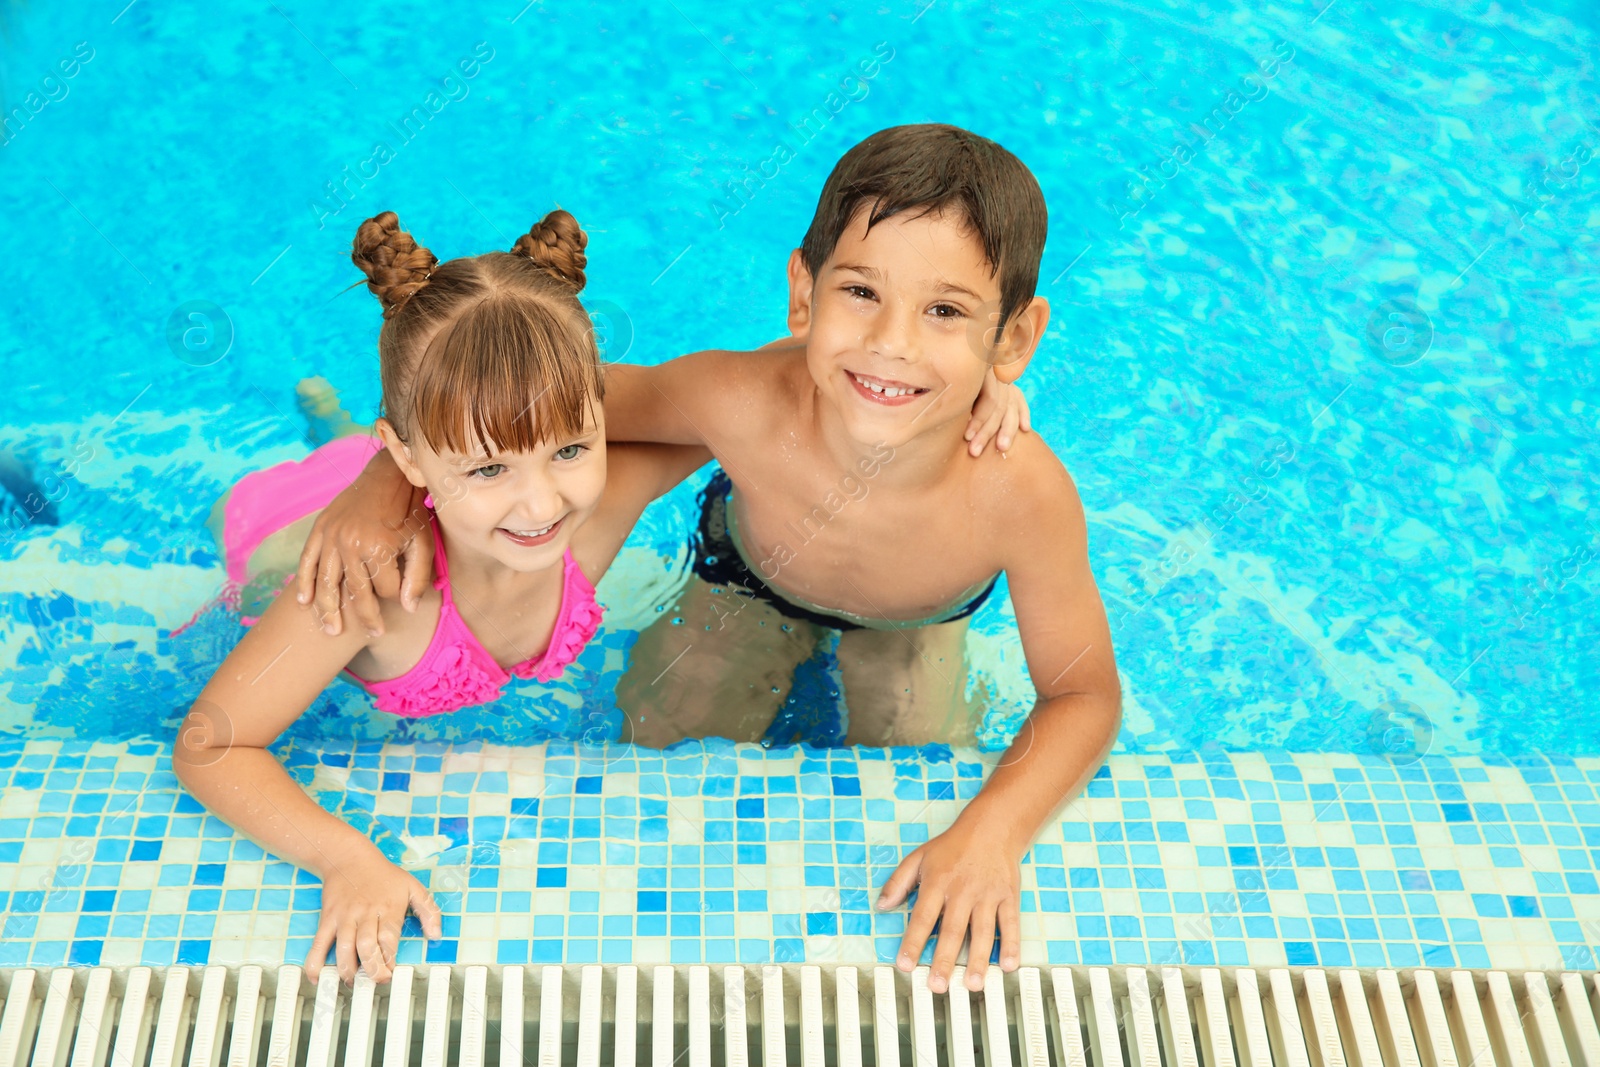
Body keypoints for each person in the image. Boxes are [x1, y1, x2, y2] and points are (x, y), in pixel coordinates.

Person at [298, 124, 1122, 994]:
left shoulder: (1020, 492)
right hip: (744, 584)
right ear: (802, 293)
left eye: (947, 312)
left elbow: (1083, 691)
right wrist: (381, 480)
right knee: (658, 756)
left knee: (916, 783)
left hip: (914, 624)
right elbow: (507, 405)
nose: (894, 346)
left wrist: (992, 832)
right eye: (861, 292)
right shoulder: (741, 399)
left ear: (1013, 339)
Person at [173, 208, 710, 987]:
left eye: (569, 448)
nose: (540, 506)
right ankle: (333, 429)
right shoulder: (370, 594)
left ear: (602, 415)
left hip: (412, 459)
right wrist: (347, 861)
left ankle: (343, 426)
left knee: (364, 436)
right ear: (410, 459)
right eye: (493, 468)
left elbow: (758, 402)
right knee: (250, 510)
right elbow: (211, 743)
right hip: (287, 530)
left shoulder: (598, 505)